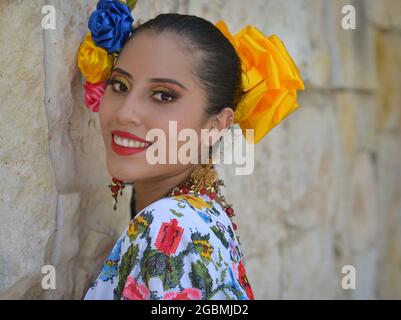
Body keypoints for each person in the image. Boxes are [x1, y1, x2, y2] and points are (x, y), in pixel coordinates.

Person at [77, 0, 304, 300]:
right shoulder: (201, 216)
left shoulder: (170, 227)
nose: (125, 112)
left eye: (163, 95)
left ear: (216, 124)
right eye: (120, 85)